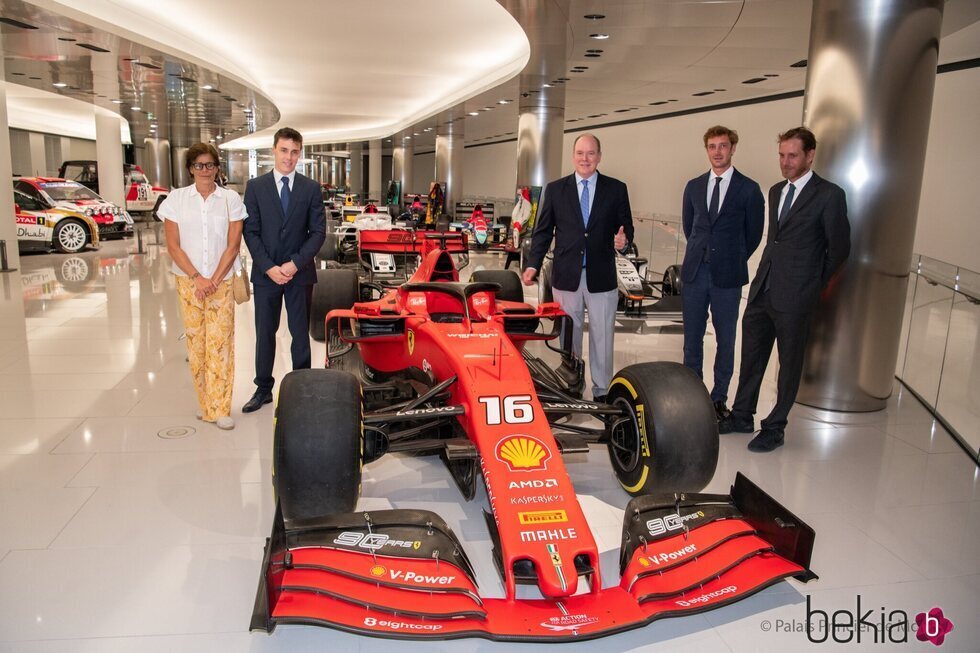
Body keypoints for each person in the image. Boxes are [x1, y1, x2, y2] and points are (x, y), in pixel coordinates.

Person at [719, 127, 850, 452]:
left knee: (789, 363)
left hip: (797, 295)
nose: (786, 162)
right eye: (781, 155)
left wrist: (813, 284)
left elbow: (839, 249)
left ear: (809, 155)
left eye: (792, 155)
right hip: (764, 289)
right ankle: (741, 415)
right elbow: (774, 240)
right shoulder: (776, 191)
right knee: (751, 356)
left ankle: (775, 426)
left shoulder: (829, 195)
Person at [522, 133, 633, 401]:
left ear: (599, 156)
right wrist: (533, 265)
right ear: (573, 156)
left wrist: (624, 240)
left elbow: (626, 227)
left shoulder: (616, 189)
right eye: (581, 153)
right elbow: (543, 231)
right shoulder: (556, 189)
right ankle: (571, 384)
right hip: (566, 277)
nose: (585, 158)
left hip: (601, 277)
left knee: (602, 337)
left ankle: (602, 391)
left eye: (591, 153)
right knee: (568, 337)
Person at [680, 126, 765, 421]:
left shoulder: (749, 189)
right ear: (707, 150)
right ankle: (692, 394)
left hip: (727, 277)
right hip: (694, 274)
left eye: (723, 146)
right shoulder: (693, 186)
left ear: (733, 149)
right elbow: (689, 226)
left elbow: (753, 234)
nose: (718, 151)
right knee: (692, 338)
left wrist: (731, 257)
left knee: (726, 338)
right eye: (712, 146)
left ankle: (718, 398)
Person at [159, 143, 245, 430]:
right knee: (197, 344)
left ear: (217, 168)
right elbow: (173, 245)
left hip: (222, 281)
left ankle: (220, 408)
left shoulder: (230, 199)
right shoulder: (176, 200)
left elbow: (233, 245)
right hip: (189, 281)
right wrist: (198, 277)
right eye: (199, 165)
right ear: (190, 169)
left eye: (210, 165)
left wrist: (215, 279)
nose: (205, 171)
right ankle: (205, 401)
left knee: (220, 343)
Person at [241, 127, 326, 413]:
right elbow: (250, 232)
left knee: (299, 333)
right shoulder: (255, 187)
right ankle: (263, 388)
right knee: (265, 331)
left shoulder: (311, 189)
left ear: (300, 153)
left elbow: (318, 233)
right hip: (266, 275)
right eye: (284, 150)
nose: (289, 157)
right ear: (273, 150)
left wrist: (293, 263)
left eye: (294, 151)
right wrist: (268, 267)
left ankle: (301, 388)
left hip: (299, 273)